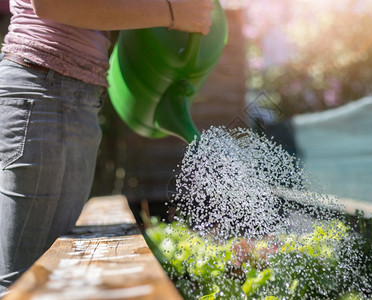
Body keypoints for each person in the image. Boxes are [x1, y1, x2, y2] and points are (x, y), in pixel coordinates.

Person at [0, 0, 213, 295]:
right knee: (23, 283)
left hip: (78, 97)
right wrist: (173, 13)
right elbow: (51, 5)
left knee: (53, 277)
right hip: (44, 89)